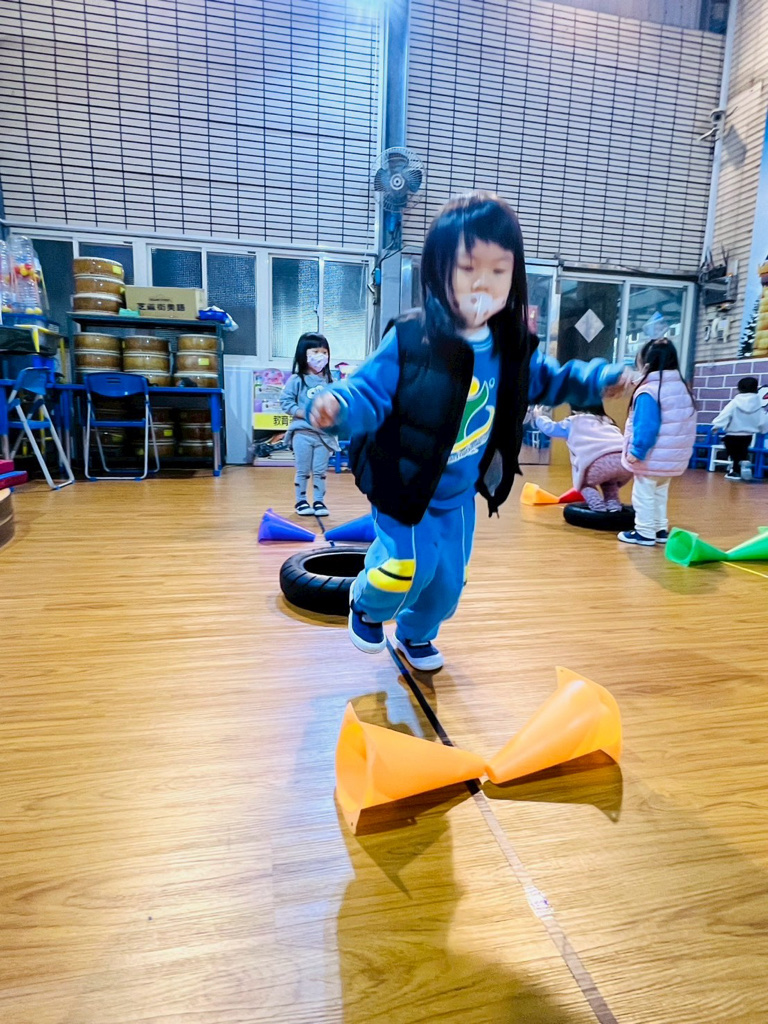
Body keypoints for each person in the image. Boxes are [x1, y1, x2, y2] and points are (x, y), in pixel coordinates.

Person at [309, 191, 627, 671]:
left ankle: (415, 635)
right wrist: (337, 406)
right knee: (402, 569)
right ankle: (365, 603)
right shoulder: (413, 338)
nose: (484, 283)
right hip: (405, 483)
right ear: (439, 270)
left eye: (499, 270)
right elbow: (367, 391)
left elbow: (553, 379)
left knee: (447, 584)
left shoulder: (510, 347)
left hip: (457, 494)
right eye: (468, 268)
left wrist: (599, 378)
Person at [617, 338, 696, 547]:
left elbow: (647, 426)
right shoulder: (681, 388)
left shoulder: (650, 391)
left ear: (646, 363)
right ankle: (660, 529)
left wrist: (637, 451)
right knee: (660, 493)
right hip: (672, 458)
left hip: (651, 457)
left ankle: (644, 533)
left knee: (643, 495)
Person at [280, 332, 339, 517]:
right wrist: (305, 413)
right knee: (303, 470)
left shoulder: (331, 381)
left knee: (320, 471)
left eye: (324, 352)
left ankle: (319, 501)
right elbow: (286, 402)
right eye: (315, 351)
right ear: (304, 354)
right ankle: (301, 501)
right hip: (302, 434)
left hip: (325, 436)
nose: (321, 356)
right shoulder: (297, 380)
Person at [532, 402, 630, 512]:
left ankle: (598, 508)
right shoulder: (608, 420)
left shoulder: (572, 422)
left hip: (600, 464)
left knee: (583, 484)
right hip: (624, 463)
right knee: (609, 483)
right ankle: (614, 507)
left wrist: (539, 417)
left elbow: (549, 429)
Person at [711, 376, 768, 481]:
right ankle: (742, 463)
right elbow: (763, 418)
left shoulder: (735, 402)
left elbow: (725, 414)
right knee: (742, 451)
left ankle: (736, 470)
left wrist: (717, 425)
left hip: (732, 434)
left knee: (733, 453)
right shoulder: (757, 404)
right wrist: (763, 430)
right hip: (748, 435)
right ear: (755, 388)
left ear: (739, 388)